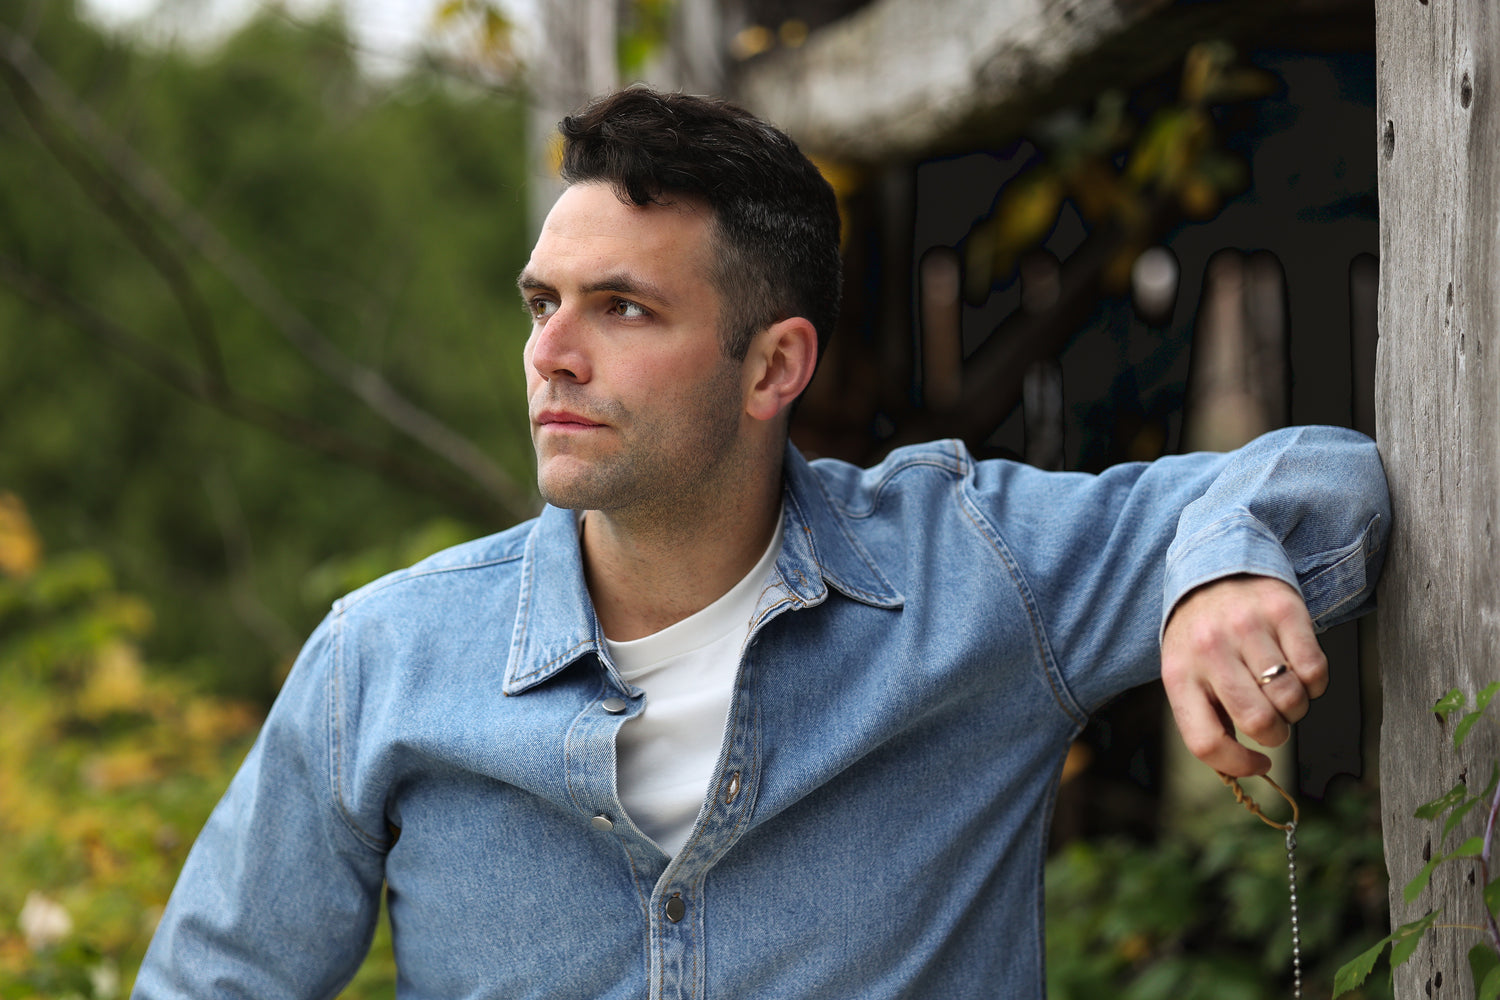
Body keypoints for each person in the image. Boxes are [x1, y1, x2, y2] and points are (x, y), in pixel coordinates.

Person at [132, 88, 1389, 999]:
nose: (551, 353)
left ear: (774, 364)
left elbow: (1329, 476)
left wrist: (1218, 564)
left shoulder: (971, 574)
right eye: (543, 301)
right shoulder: (384, 663)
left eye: (621, 307)